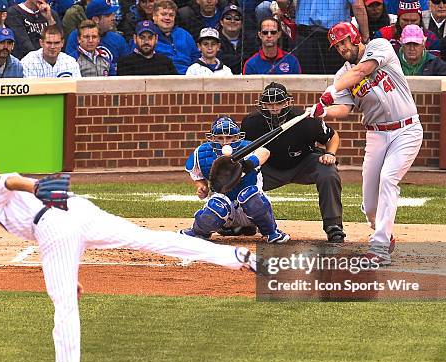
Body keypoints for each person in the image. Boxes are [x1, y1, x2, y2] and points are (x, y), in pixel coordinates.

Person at [0, 158, 256, 362]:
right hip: (78, 210)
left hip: (54, 226)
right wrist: (68, 270)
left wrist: (35, 186)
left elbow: (9, 180)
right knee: (151, 240)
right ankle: (235, 256)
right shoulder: (9, 201)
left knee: (65, 308)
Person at [308, 22, 423, 265]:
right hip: (376, 135)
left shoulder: (379, 46)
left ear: (354, 37)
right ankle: (384, 233)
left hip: (406, 129)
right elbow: (345, 108)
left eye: (343, 42)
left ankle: (379, 249)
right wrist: (323, 112)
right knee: (370, 205)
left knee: (388, 179)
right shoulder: (342, 75)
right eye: (336, 46)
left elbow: (362, 71)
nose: (340, 48)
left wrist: (330, 90)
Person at [240, 82, 346, 243]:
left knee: (328, 171)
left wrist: (330, 153)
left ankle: (334, 226)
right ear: (262, 104)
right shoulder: (251, 122)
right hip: (268, 167)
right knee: (240, 176)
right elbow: (244, 149)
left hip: (303, 163)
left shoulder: (305, 119)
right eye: (269, 103)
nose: (274, 107)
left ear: (287, 102)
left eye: (279, 103)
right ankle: (242, 222)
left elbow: (332, 136)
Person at [180, 116, 290, 244]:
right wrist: (202, 188)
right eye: (220, 138)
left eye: (229, 137)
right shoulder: (203, 152)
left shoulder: (248, 148)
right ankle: (198, 232)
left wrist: (248, 164)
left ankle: (271, 232)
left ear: (237, 137)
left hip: (250, 209)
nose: (225, 142)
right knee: (217, 204)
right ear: (213, 138)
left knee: (250, 195)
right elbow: (197, 175)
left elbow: (264, 152)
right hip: (225, 212)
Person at [294, 0, 370, 74]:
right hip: (339, 38)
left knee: (307, 79)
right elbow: (358, 6)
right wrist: (365, 37)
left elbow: (283, 2)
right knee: (338, 79)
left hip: (305, 37)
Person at [65, 0, 130, 75]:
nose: (113, 18)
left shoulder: (118, 39)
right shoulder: (75, 36)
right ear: (96, 19)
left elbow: (127, 67)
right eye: (108, 15)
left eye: (113, 14)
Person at [375, 0, 440, 55]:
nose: (409, 24)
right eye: (405, 20)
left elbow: (434, 64)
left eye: (413, 20)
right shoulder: (383, 35)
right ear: (398, 19)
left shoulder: (431, 38)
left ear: (420, 20)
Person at [152, 0, 199, 74]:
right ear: (154, 17)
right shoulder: (149, 36)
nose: (167, 18)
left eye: (171, 15)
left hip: (188, 77)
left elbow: (196, 58)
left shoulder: (185, 35)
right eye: (164, 14)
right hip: (161, 77)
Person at [216, 4, 257, 74]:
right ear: (221, 22)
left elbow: (254, 60)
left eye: (237, 18)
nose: (232, 21)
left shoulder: (250, 40)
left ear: (241, 24)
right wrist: (242, 59)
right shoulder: (215, 40)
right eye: (228, 18)